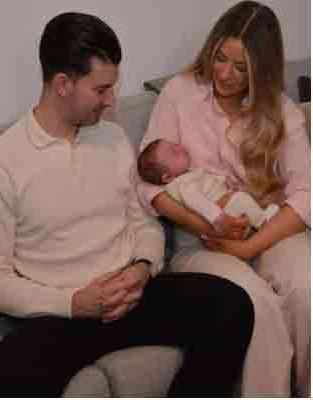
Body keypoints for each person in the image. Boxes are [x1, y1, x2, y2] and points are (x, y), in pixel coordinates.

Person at [0, 12, 254, 397]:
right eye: (101, 89)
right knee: (0, 380)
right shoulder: (0, 161)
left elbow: (144, 223)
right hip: (62, 312)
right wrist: (74, 303)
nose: (111, 101)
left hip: (132, 296)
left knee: (231, 306)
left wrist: (142, 267)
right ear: (62, 84)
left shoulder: (113, 137)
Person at [136, 1, 310, 396]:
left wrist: (250, 245)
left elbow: (306, 193)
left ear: (262, 71)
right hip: (201, 243)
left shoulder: (281, 110)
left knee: (307, 288)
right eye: (220, 58)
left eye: (241, 67)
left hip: (268, 230)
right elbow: (149, 187)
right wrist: (209, 224)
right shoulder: (180, 94)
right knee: (255, 304)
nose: (224, 74)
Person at [137, 138, 280, 236]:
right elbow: (196, 201)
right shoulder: (182, 185)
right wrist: (216, 216)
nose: (180, 147)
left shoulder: (188, 174)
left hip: (226, 207)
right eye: (174, 152)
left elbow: (206, 179)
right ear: (167, 177)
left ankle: (255, 221)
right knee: (242, 200)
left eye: (176, 144)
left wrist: (224, 180)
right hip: (221, 214)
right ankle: (263, 222)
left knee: (243, 199)